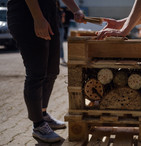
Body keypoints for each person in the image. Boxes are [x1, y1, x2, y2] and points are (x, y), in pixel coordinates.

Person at [7, 0, 85, 143]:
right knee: (36, 73)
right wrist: (38, 19)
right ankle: (38, 125)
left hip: (49, 13)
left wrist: (75, 9)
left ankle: (43, 115)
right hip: (27, 16)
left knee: (52, 70)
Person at [57, 1, 67, 65]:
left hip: (60, 28)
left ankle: (62, 58)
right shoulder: (51, 10)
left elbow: (63, 21)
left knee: (60, 44)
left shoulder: (60, 11)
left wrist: (63, 16)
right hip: (53, 28)